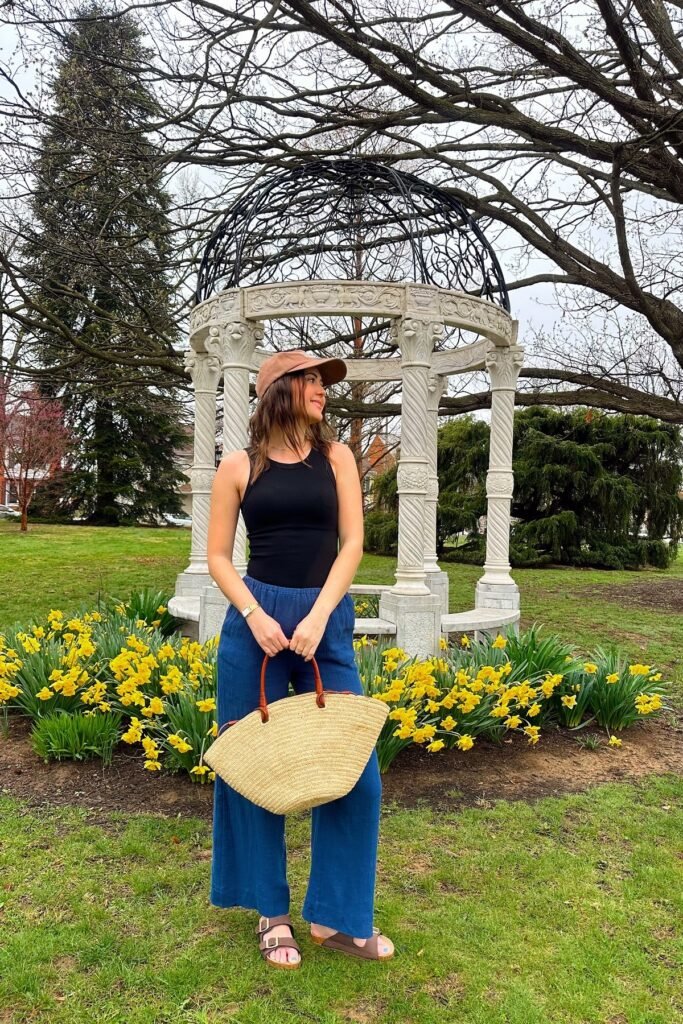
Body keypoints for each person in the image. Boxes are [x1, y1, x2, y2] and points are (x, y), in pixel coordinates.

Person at [206, 348, 395, 969]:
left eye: (321, 382)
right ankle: (272, 913)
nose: (321, 390)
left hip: (325, 623)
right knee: (251, 770)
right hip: (252, 625)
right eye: (311, 380)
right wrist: (257, 617)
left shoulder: (336, 458)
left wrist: (317, 617)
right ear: (280, 391)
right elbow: (218, 558)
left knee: (356, 775)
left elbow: (354, 543)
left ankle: (339, 919)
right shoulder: (237, 467)